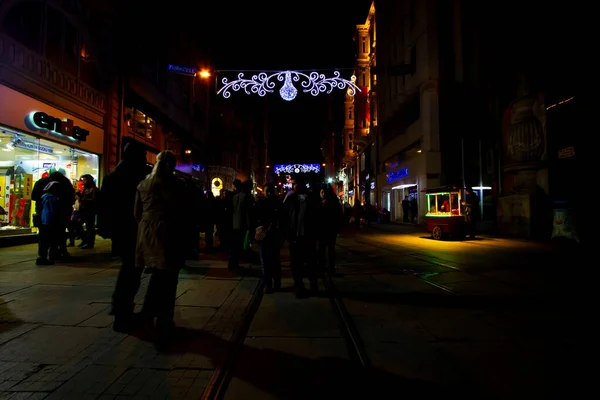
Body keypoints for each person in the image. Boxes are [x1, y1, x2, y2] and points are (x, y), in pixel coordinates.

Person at [134, 151, 188, 342]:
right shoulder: (176, 185)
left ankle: (147, 316)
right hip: (168, 234)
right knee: (169, 278)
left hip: (146, 233)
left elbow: (137, 213)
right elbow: (183, 213)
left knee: (157, 276)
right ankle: (164, 321)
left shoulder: (144, 184)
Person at [98, 141, 148, 332]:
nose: (144, 159)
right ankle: (122, 312)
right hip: (132, 229)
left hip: (120, 230)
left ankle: (121, 308)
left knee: (129, 269)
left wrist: (105, 228)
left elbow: (102, 204)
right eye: (143, 156)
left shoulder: (113, 176)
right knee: (131, 271)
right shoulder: (135, 176)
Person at [283, 176, 319, 298]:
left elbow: (318, 217)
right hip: (295, 237)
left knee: (311, 262)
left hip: (308, 236)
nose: (295, 186)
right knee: (296, 264)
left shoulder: (312, 198)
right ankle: (299, 287)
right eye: (293, 184)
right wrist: (287, 234)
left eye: (297, 183)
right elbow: (285, 217)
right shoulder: (290, 198)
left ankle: (313, 285)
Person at [254, 183, 283, 293]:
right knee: (270, 261)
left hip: (269, 236)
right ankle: (273, 283)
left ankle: (272, 283)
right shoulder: (276, 203)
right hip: (269, 236)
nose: (267, 193)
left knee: (269, 262)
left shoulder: (266, 203)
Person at [318, 187, 342, 275]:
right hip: (331, 229)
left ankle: (323, 268)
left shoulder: (323, 203)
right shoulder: (335, 202)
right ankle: (330, 268)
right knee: (330, 249)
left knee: (323, 249)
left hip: (324, 229)